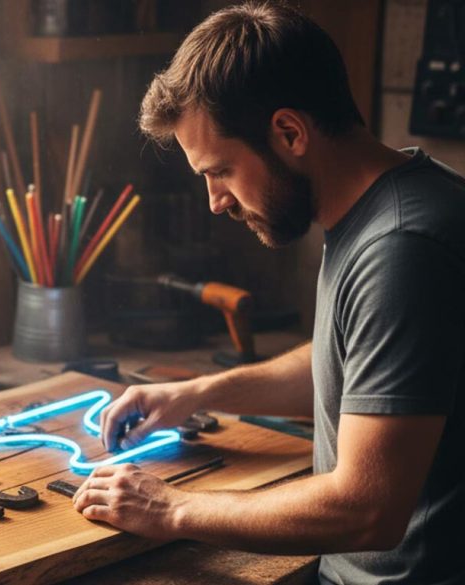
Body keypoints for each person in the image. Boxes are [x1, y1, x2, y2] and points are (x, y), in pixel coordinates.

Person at [71, 3, 465, 584]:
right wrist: (196, 393)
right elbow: (361, 369)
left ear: (289, 132)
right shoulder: (391, 203)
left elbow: (367, 510)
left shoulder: (402, 248)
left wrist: (172, 508)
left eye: (221, 171)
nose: (216, 201)